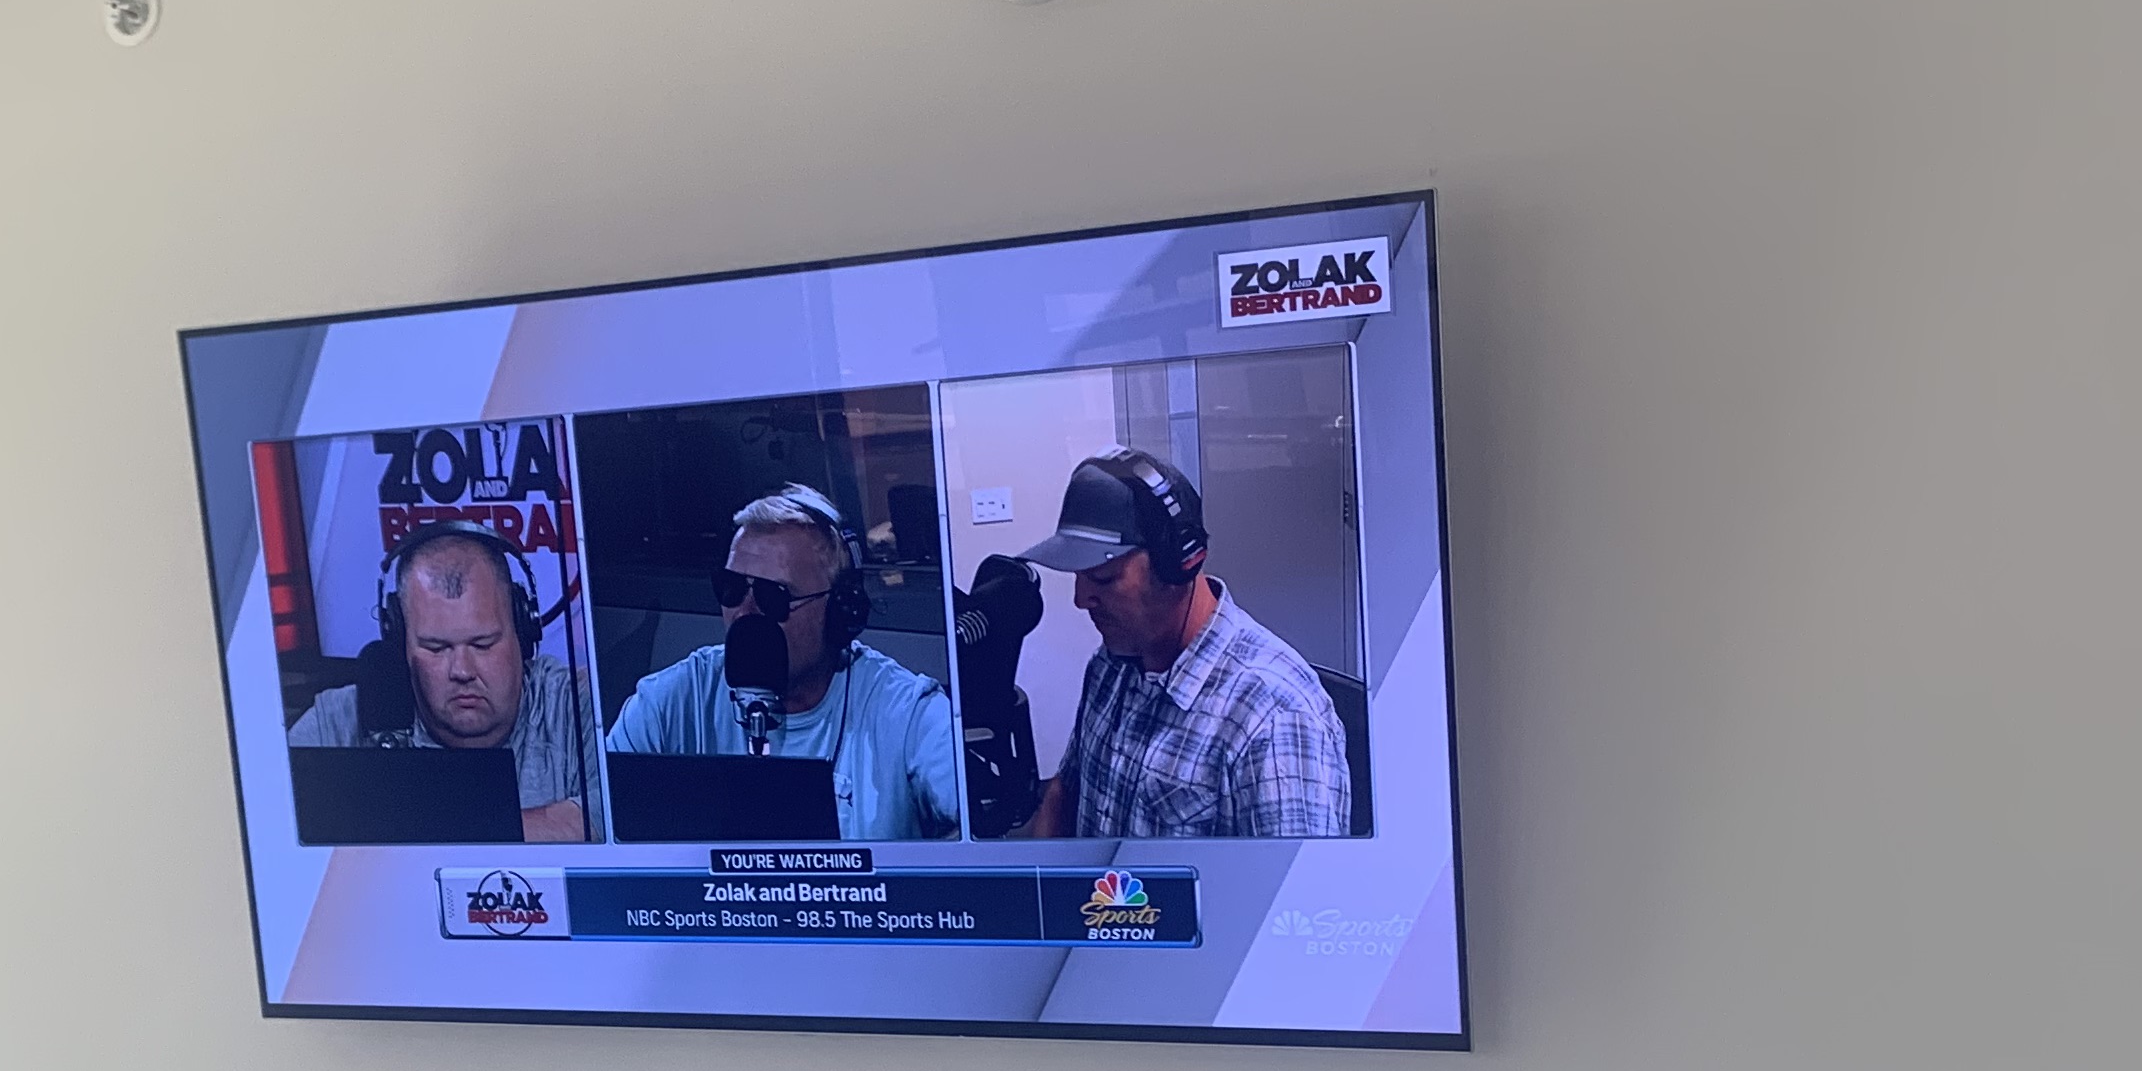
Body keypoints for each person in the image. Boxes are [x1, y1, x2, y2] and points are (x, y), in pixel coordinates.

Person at [1018, 450, 1352, 840]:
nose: (1081, 599)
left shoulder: (1273, 720)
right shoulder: (1110, 665)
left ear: (1179, 566)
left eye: (1104, 578)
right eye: (1079, 577)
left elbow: (1294, 895)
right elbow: (1064, 791)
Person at [601, 485, 964, 841]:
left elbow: (997, 840)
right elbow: (595, 819)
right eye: (732, 588)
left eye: (772, 596)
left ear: (839, 611)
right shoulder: (673, 700)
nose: (745, 612)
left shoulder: (905, 711)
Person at [287, 519, 592, 841]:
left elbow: (612, 821)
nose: (462, 670)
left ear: (523, 630)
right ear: (400, 643)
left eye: (483, 644)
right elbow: (259, 821)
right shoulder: (339, 722)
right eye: (437, 647)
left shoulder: (575, 709)